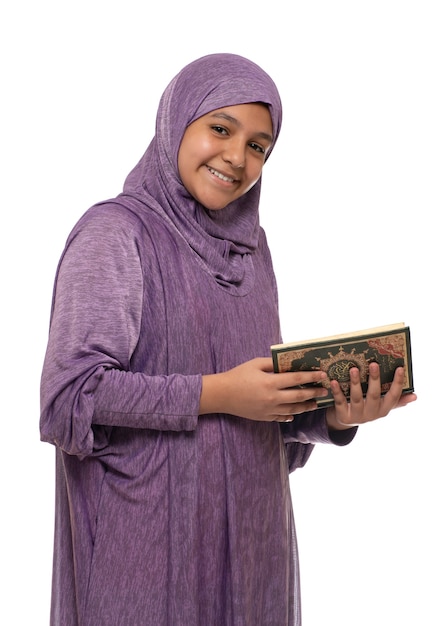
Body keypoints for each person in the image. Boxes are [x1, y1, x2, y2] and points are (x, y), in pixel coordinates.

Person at [40, 52, 417, 626]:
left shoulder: (251, 252)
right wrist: (215, 393)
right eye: (221, 128)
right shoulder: (115, 234)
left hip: (254, 556)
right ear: (176, 122)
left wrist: (338, 416)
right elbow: (68, 401)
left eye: (260, 146)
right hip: (145, 558)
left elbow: (262, 415)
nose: (238, 158)